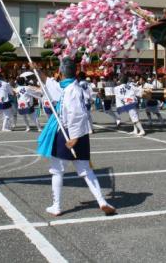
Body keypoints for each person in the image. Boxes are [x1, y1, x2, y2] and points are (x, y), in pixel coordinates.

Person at [36, 58, 115, 216]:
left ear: (61, 72)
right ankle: (101, 201)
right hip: (78, 133)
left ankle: (57, 206)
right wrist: (38, 72)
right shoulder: (70, 86)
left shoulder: (71, 90)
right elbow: (50, 84)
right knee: (86, 170)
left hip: (68, 133)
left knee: (57, 170)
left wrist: (74, 137)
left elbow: (76, 115)